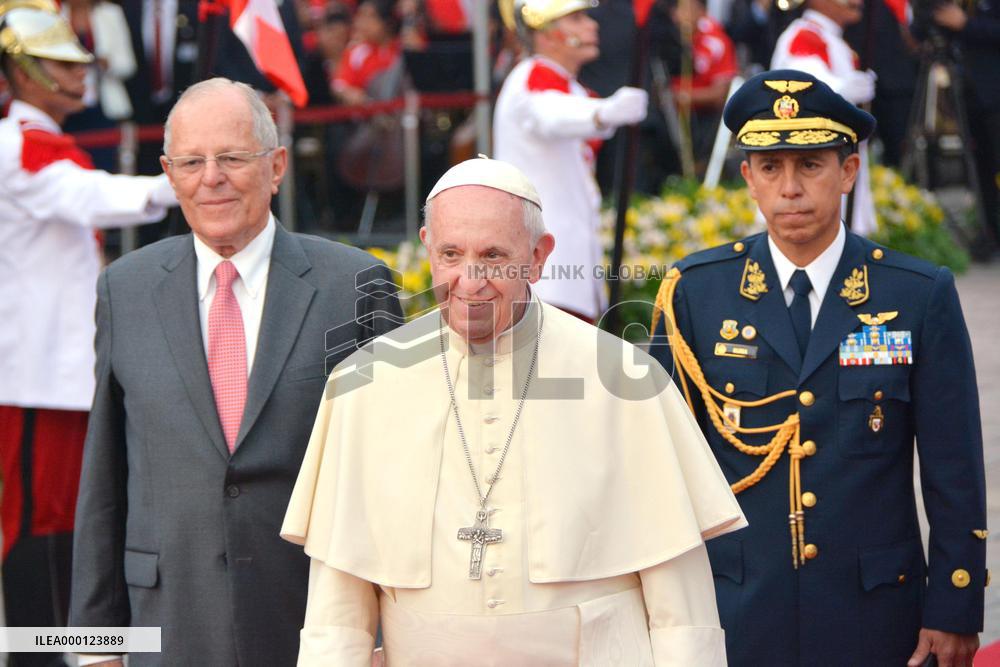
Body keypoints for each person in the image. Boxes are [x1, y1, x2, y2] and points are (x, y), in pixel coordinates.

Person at [281, 156, 747, 666]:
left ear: (538, 257)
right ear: (427, 246)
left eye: (493, 256)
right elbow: (337, 614)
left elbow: (682, 610)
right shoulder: (364, 384)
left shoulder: (625, 380)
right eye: (451, 254)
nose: (470, 280)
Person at [650, 70, 986, 666]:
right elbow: (657, 466)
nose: (790, 189)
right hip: (737, 607)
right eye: (771, 167)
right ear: (748, 178)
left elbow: (953, 465)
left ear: (848, 171)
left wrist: (954, 604)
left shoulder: (913, 294)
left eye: (810, 165)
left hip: (874, 611)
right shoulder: (696, 294)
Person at [68, 78, 402, 666]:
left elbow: (392, 471)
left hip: (314, 624)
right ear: (169, 174)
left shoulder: (353, 285)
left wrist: (386, 634)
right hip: (168, 624)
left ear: (276, 167)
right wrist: (95, 645)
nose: (211, 178)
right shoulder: (125, 289)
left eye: (232, 158)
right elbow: (105, 475)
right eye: (192, 162)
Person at [0, 6, 177, 665]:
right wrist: (184, 179)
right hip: (35, 376)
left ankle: (78, 650)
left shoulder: (39, 142)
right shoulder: (15, 145)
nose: (80, 74)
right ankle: (38, 656)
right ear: (23, 72)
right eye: (61, 64)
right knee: (41, 524)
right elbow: (88, 195)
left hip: (62, 370)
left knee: (76, 520)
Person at [494, 0, 648, 323]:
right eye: (576, 19)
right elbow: (550, 114)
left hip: (570, 257)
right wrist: (605, 112)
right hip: (543, 267)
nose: (592, 25)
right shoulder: (532, 76)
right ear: (546, 33)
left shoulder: (572, 87)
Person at [770, 0, 878, 236]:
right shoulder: (805, 35)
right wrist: (841, 88)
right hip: (813, 165)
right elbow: (805, 80)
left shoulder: (830, 38)